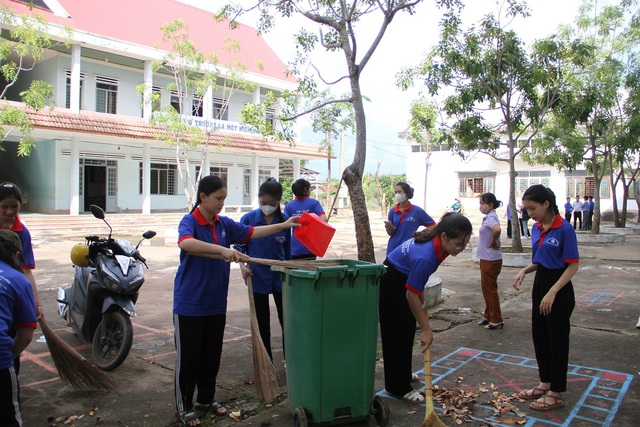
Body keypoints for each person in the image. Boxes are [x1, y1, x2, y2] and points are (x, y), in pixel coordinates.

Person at [172, 175, 300, 426]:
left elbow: (253, 232)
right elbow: (186, 244)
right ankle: (184, 407)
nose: (221, 203)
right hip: (190, 304)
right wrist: (223, 251)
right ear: (203, 197)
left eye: (224, 199)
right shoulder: (190, 222)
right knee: (189, 359)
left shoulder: (223, 224)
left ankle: (206, 401)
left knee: (211, 355)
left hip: (216, 302)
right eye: (218, 198)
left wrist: (285, 226)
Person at [379, 213, 472, 403]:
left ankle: (402, 373)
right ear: (444, 236)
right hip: (391, 283)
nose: (460, 249)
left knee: (406, 331)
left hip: (403, 278)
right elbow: (410, 294)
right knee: (397, 334)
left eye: (465, 245)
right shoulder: (426, 255)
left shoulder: (440, 242)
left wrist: (418, 286)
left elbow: (414, 285)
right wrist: (427, 329)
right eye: (458, 244)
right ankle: (397, 386)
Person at [513, 184, 579, 412]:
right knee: (540, 336)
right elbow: (540, 259)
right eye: (527, 209)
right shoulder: (537, 228)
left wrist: (554, 290)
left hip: (559, 289)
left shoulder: (564, 229)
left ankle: (556, 392)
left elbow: (572, 265)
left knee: (557, 339)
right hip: (541, 284)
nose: (530, 213)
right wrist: (524, 270)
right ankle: (545, 382)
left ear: (546, 204)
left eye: (533, 208)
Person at [237, 178, 289, 361]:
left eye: (271, 204)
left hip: (280, 277)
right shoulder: (248, 219)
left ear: (278, 202)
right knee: (262, 322)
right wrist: (242, 266)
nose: (267, 206)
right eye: (263, 203)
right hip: (256, 276)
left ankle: (289, 361)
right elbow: (238, 248)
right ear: (258, 199)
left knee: (287, 320)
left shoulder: (284, 222)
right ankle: (266, 362)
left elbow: (287, 252)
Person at [0, 182, 42, 377]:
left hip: (9, 297)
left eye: (14, 207)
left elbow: (26, 271)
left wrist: (36, 303)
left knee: (11, 337)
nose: (10, 212)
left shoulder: (21, 232)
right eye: (4, 207)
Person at [0, 230, 37, 427]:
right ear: (15, 254)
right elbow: (26, 336)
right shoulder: (17, 279)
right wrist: (9, 357)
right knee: (8, 415)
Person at [385, 182, 435, 256]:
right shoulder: (392, 211)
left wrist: (421, 234)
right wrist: (389, 230)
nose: (397, 194)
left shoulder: (417, 211)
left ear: (407, 194)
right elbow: (391, 233)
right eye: (395, 192)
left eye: (399, 192)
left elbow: (433, 225)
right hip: (393, 248)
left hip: (408, 248)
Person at [477, 193, 504, 330]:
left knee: (490, 289)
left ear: (490, 205)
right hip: (485, 258)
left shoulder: (492, 216)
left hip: (491, 259)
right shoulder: (488, 217)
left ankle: (496, 319)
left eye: (482, 203)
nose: (480, 206)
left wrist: (493, 242)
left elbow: (497, 230)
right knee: (486, 289)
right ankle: (488, 315)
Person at [283, 179, 326, 260]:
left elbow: (284, 226)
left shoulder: (289, 206)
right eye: (309, 188)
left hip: (294, 247)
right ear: (305, 189)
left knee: (296, 271)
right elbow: (324, 219)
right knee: (309, 271)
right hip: (310, 246)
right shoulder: (314, 203)